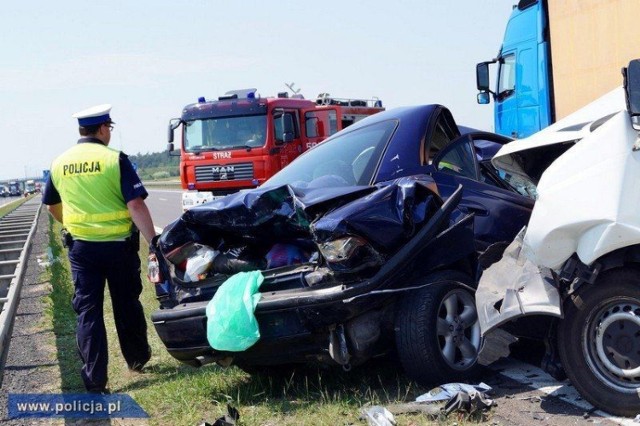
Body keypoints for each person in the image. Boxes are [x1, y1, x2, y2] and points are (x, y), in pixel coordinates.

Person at [42, 104, 156, 394]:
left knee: (88, 312)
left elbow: (52, 205)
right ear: (103, 128)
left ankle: (95, 379)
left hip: (82, 250)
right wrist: (153, 241)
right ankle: (136, 359)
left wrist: (71, 224)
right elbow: (136, 204)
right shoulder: (114, 159)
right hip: (119, 247)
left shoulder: (60, 163)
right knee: (126, 304)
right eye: (110, 128)